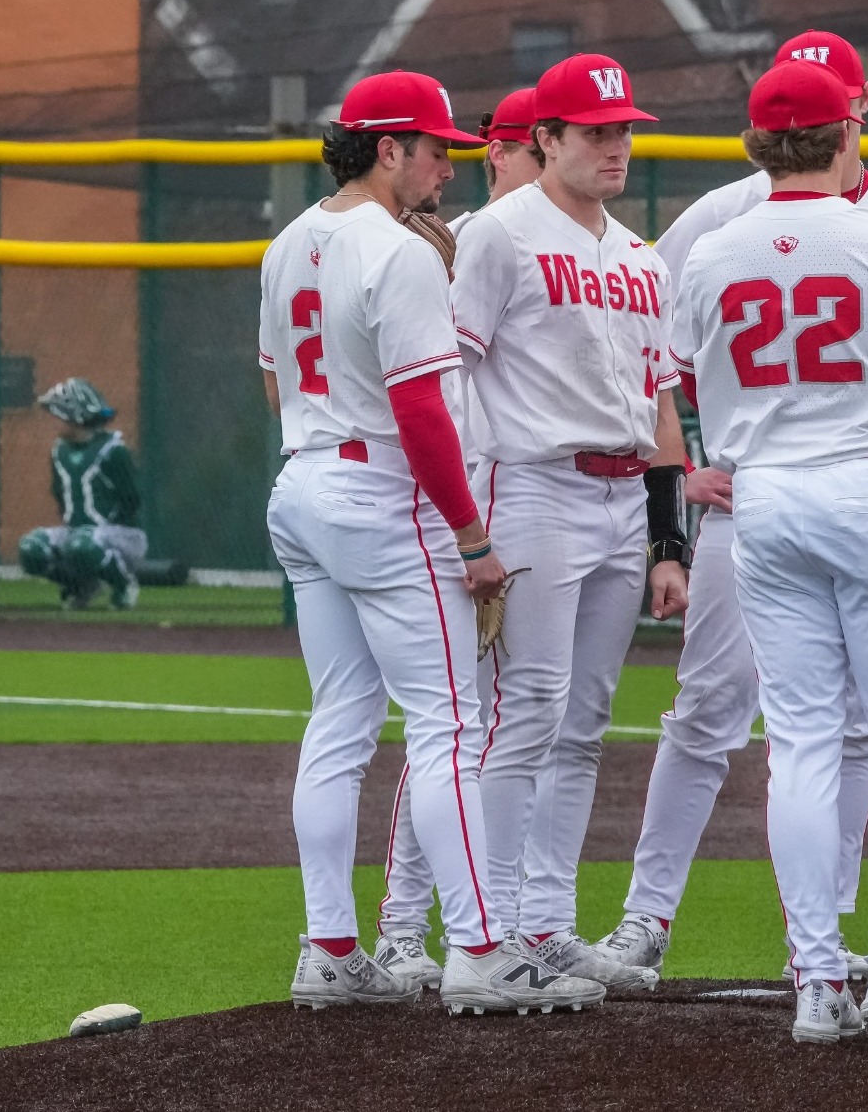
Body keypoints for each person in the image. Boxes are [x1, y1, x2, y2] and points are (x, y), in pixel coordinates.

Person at [592, 31, 868, 984]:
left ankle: (822, 952)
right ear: (846, 119)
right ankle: (654, 920)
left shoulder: (758, 227)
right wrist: (679, 473)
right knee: (734, 719)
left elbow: (671, 356)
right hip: (821, 495)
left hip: (771, 501)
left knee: (825, 735)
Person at [260, 68, 605, 1017]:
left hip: (302, 481)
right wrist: (469, 534)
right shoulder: (400, 251)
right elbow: (420, 408)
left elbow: (272, 384)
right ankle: (480, 949)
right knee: (450, 728)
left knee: (337, 726)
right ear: (387, 149)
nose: (449, 166)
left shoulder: (290, 242)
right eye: (437, 148)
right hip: (382, 494)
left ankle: (330, 946)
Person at [448, 52, 692, 990]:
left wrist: (669, 539)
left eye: (625, 129)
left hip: (622, 498)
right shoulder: (499, 235)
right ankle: (492, 930)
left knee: (584, 721)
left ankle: (547, 923)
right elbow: (453, 376)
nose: (616, 145)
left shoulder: (639, 256)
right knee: (528, 713)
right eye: (595, 131)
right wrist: (468, 518)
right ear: (543, 139)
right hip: (535, 486)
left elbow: (661, 401)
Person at [371, 87, 543, 993]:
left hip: (506, 499)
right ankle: (403, 930)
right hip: (449, 510)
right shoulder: (456, 241)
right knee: (450, 727)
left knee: (497, 726)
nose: (500, 161)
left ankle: (507, 920)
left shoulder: (517, 239)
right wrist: (464, 526)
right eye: (508, 147)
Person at [17, 378, 147, 611]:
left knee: (82, 545)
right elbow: (60, 495)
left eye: (58, 415)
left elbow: (132, 498)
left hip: (122, 535)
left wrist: (104, 529)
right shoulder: (60, 451)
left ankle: (124, 585)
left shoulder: (113, 450)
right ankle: (82, 585)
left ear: (74, 416)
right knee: (31, 548)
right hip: (78, 532)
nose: (53, 422)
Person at [448, 87, 542, 238]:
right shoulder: (456, 240)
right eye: (542, 157)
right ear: (500, 155)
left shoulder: (582, 235)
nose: (556, 169)